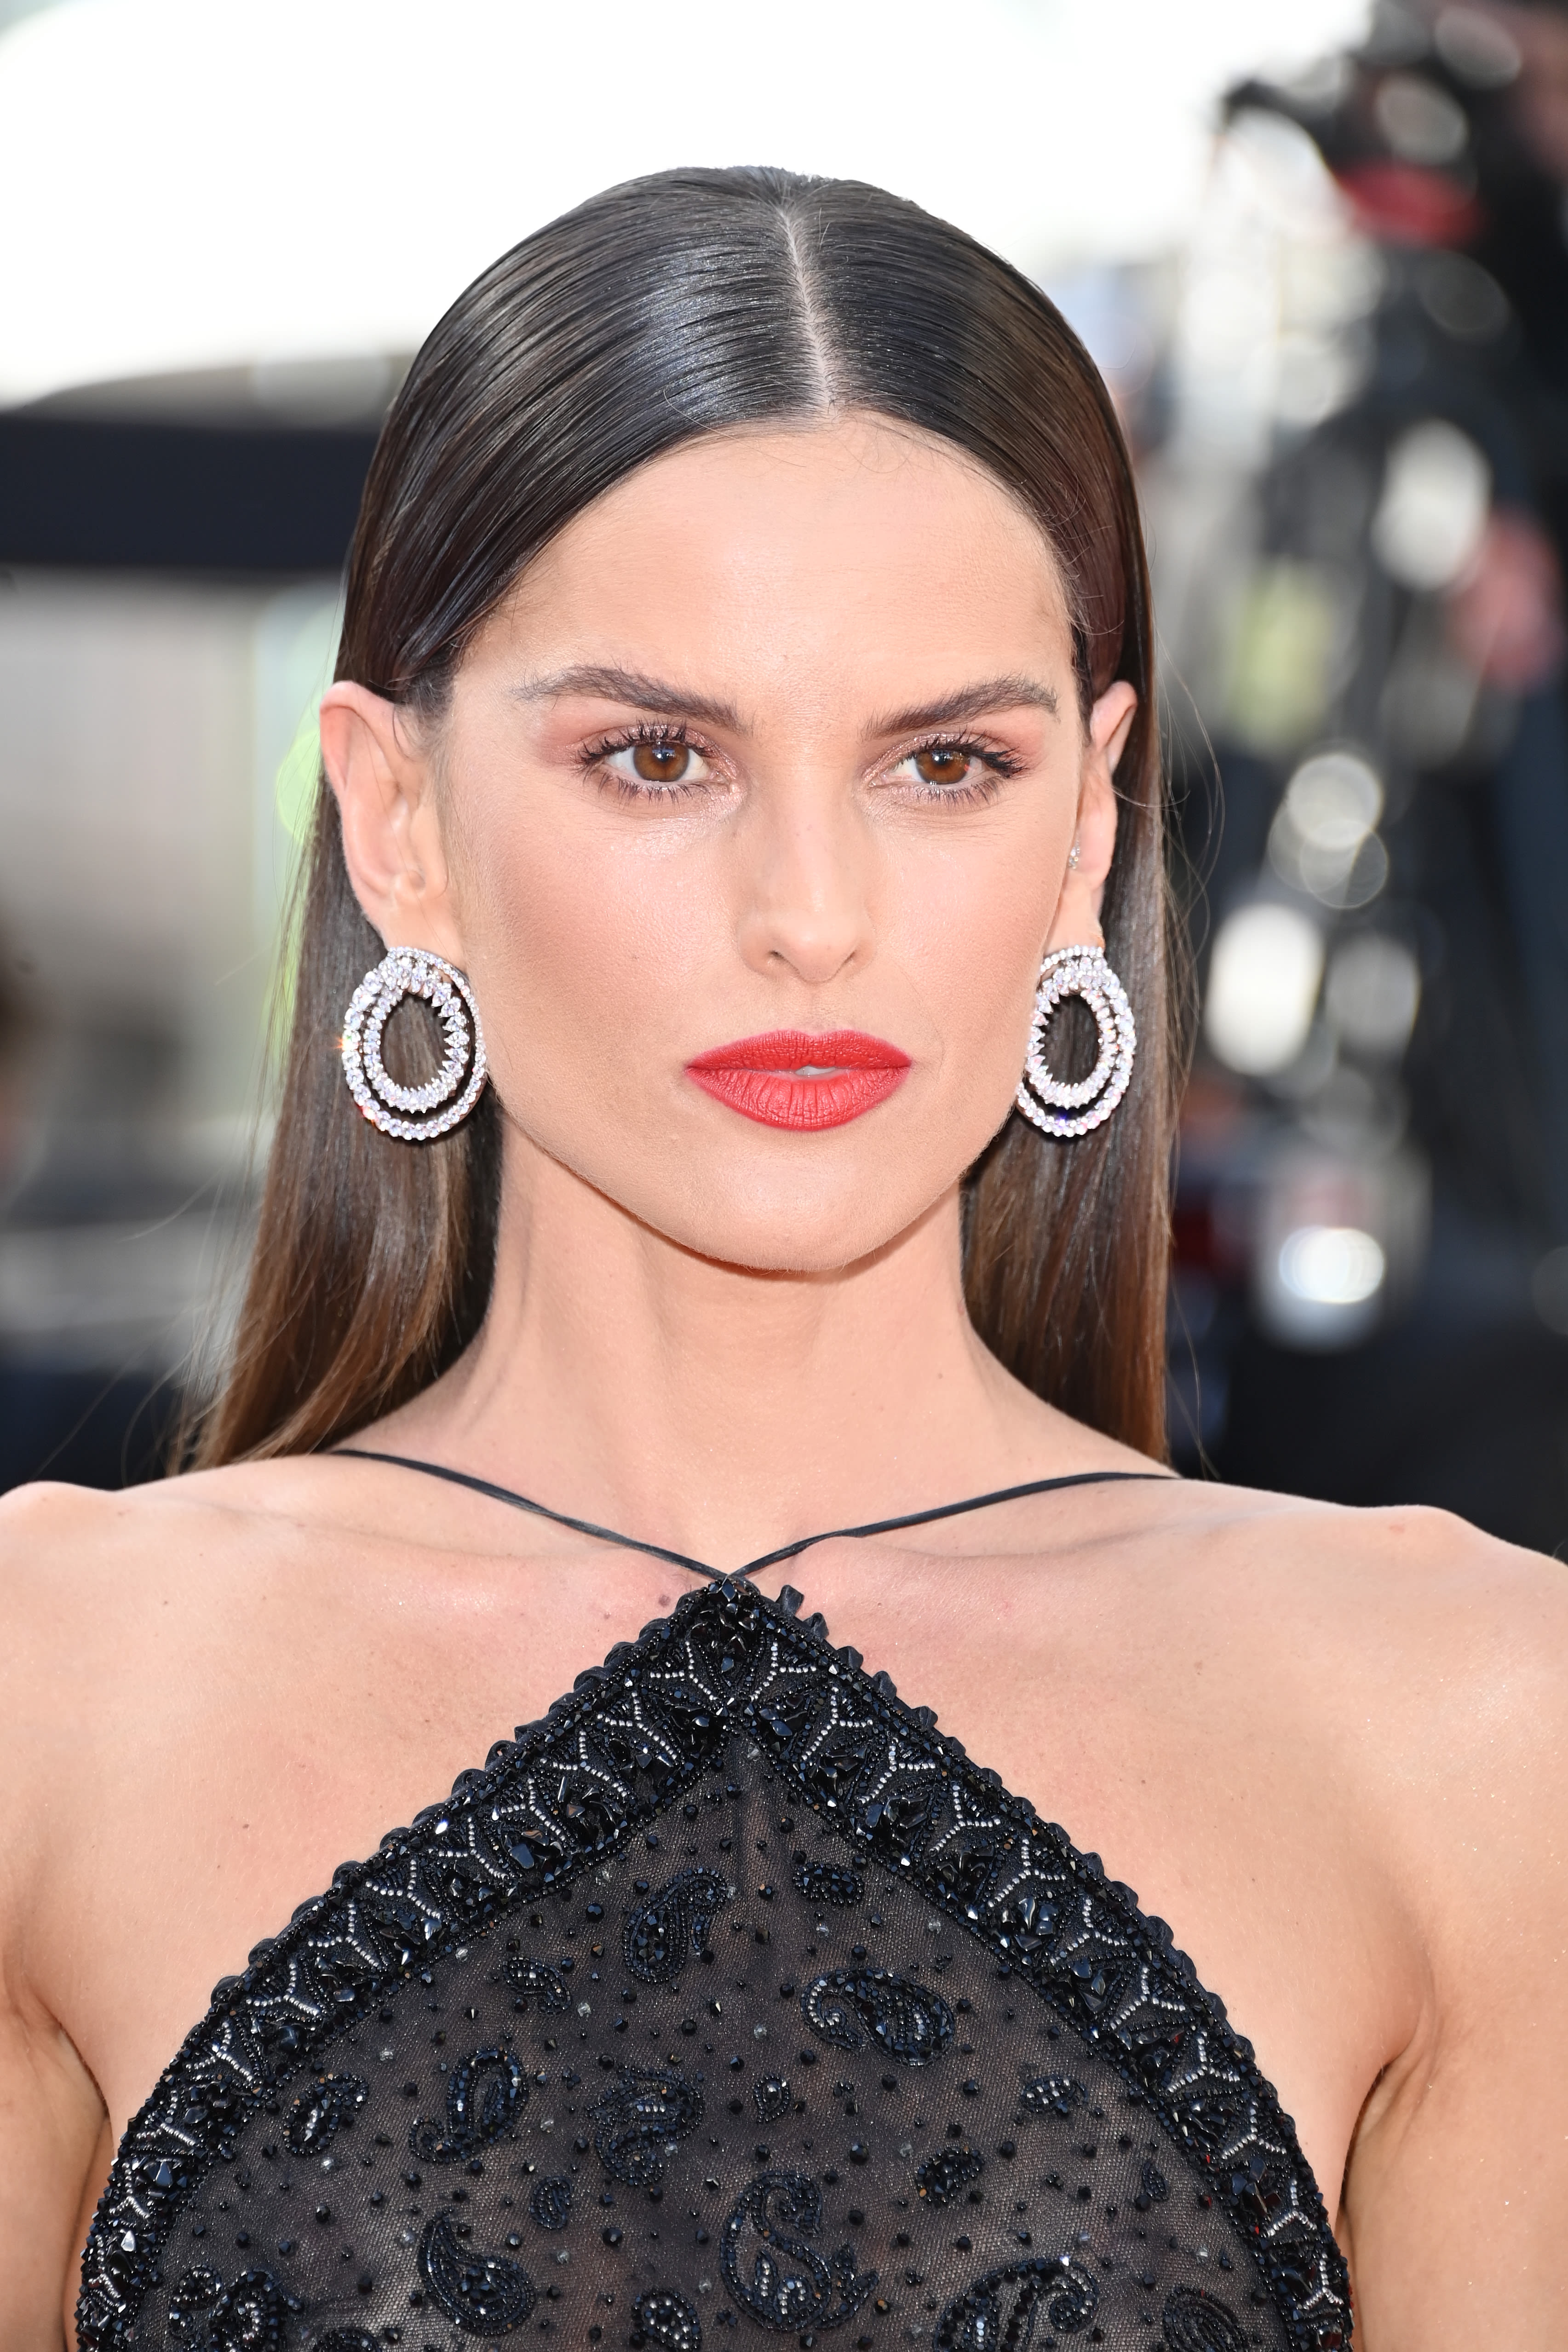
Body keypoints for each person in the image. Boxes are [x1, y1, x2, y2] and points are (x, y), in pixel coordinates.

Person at [0, 168, 1561, 2352]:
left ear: (1086, 826)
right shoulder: (48, 1695)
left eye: (944, 762)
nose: (809, 910)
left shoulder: (1480, 1727)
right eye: (657, 758)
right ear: (399, 821)